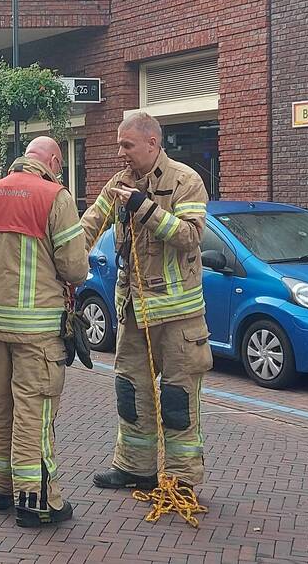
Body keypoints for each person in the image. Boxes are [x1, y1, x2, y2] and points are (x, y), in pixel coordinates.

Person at [80, 111, 213, 491]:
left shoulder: (186, 181)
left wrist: (145, 207)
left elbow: (189, 236)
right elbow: (89, 227)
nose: (121, 153)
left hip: (177, 318)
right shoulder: (119, 183)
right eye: (119, 144)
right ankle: (135, 468)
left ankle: (181, 479)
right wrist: (60, 260)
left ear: (152, 143)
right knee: (131, 391)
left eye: (127, 145)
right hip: (133, 313)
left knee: (177, 396)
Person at [0, 136, 88, 527]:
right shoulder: (55, 197)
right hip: (37, 332)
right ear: (53, 160)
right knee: (34, 414)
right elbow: (75, 269)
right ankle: (37, 500)